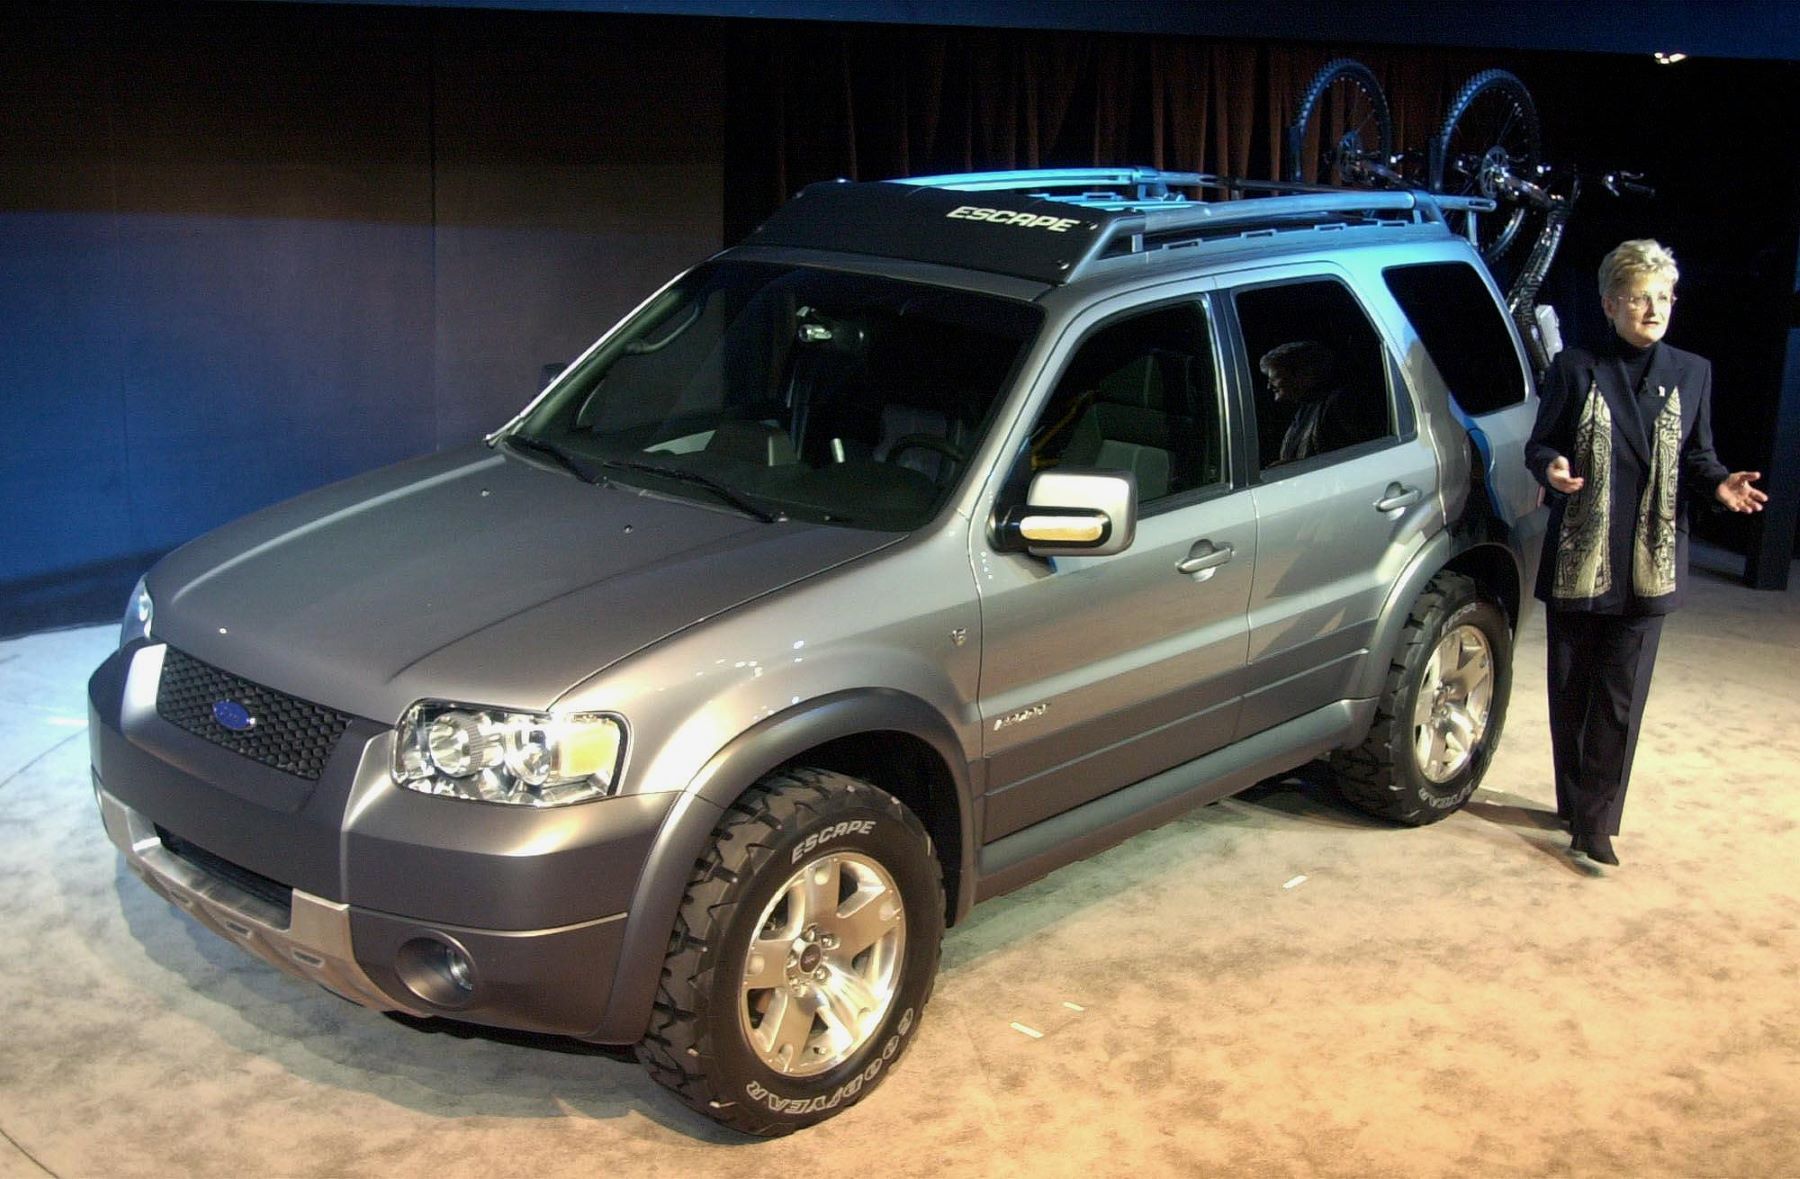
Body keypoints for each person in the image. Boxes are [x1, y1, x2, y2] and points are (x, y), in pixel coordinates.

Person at [1525, 239, 1767, 867]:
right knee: (1571, 691)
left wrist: (1720, 484)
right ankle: (1573, 802)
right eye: (1639, 298)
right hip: (1582, 553)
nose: (1654, 309)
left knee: (1620, 696)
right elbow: (1541, 443)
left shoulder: (1692, 371)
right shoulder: (1575, 367)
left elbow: (1699, 456)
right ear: (1610, 304)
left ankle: (1596, 822)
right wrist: (1551, 468)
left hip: (1648, 557)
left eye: (1664, 297)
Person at [1259, 340, 1369, 464]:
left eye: (1274, 378)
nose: (1269, 386)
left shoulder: (1340, 403)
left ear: (1303, 374)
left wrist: (1298, 466)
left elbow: (1361, 456)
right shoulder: (1304, 410)